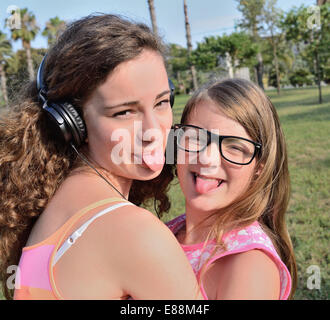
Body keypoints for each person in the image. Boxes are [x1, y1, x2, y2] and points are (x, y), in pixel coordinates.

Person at [0, 14, 203, 300]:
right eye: (124, 112)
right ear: (72, 123)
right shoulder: (134, 234)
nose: (153, 131)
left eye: (161, 102)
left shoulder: (51, 210)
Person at [165, 78, 297, 300]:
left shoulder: (248, 266)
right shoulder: (166, 232)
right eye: (195, 137)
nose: (207, 159)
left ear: (259, 168)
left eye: (234, 147)